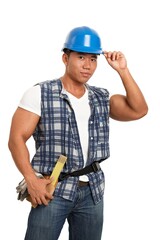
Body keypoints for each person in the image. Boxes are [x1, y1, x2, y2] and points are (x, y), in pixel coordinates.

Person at [8, 26, 148, 240]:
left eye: (93, 59)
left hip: (92, 192)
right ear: (66, 58)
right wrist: (31, 179)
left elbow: (139, 110)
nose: (87, 65)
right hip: (52, 190)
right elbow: (16, 139)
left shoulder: (100, 97)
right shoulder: (40, 93)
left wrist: (122, 70)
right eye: (81, 57)